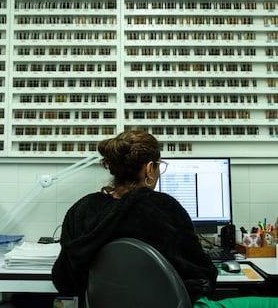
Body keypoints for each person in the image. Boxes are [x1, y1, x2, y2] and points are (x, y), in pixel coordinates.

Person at [52, 130, 278, 308]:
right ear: (150, 168)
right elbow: (202, 278)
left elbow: (64, 280)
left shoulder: (81, 209)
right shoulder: (163, 207)